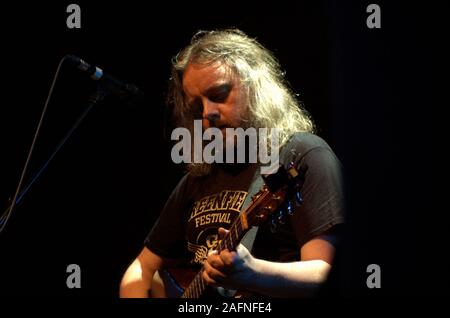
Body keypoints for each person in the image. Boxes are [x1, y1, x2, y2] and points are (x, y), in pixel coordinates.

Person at [120, 29, 344, 298]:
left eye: (219, 94)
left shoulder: (302, 156)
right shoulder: (199, 178)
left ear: (255, 86)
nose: (207, 113)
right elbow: (142, 268)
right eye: (196, 107)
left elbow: (325, 273)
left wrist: (253, 273)